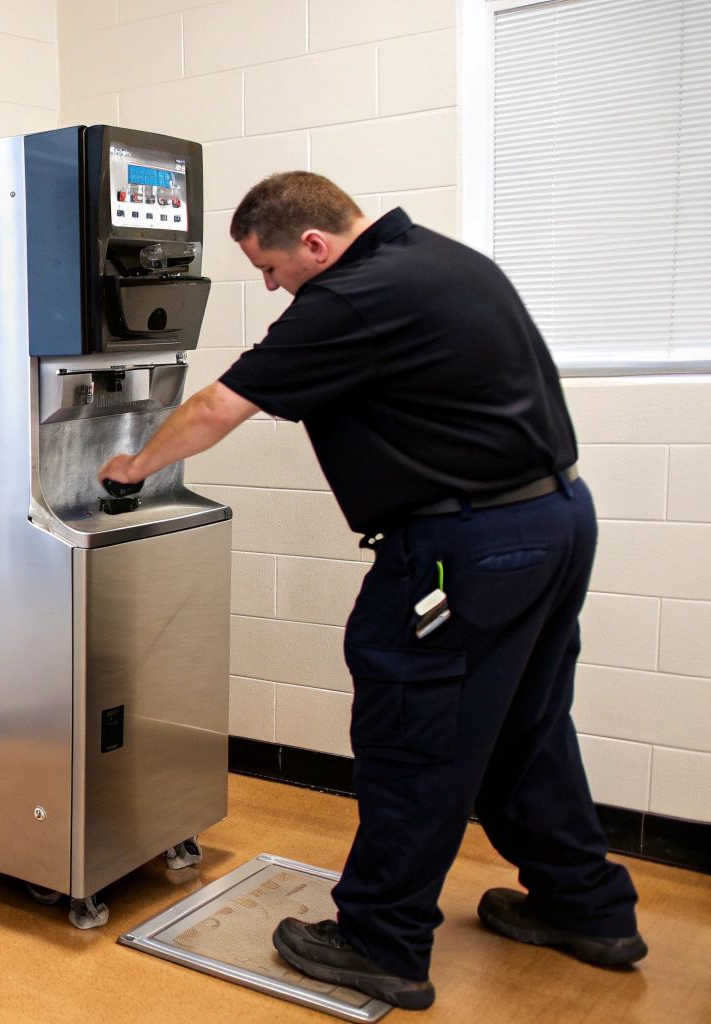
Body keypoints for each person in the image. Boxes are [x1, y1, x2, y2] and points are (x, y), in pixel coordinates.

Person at [97, 172, 646, 1010]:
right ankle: (586, 909)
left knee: (413, 732)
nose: (274, 288)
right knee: (526, 724)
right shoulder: (444, 260)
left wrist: (132, 468)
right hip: (554, 519)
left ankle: (380, 941)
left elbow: (215, 406)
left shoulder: (352, 297)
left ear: (314, 245)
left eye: (272, 270)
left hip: (467, 548)